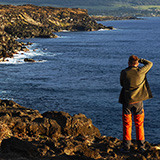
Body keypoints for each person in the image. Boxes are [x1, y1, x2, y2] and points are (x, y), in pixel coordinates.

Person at [119, 55, 153, 152]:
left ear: (128, 63)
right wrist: (141, 60)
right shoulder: (141, 71)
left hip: (127, 101)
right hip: (138, 101)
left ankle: (126, 147)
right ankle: (141, 146)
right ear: (137, 64)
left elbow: (122, 84)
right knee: (139, 124)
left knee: (127, 124)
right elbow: (150, 63)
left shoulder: (124, 72)